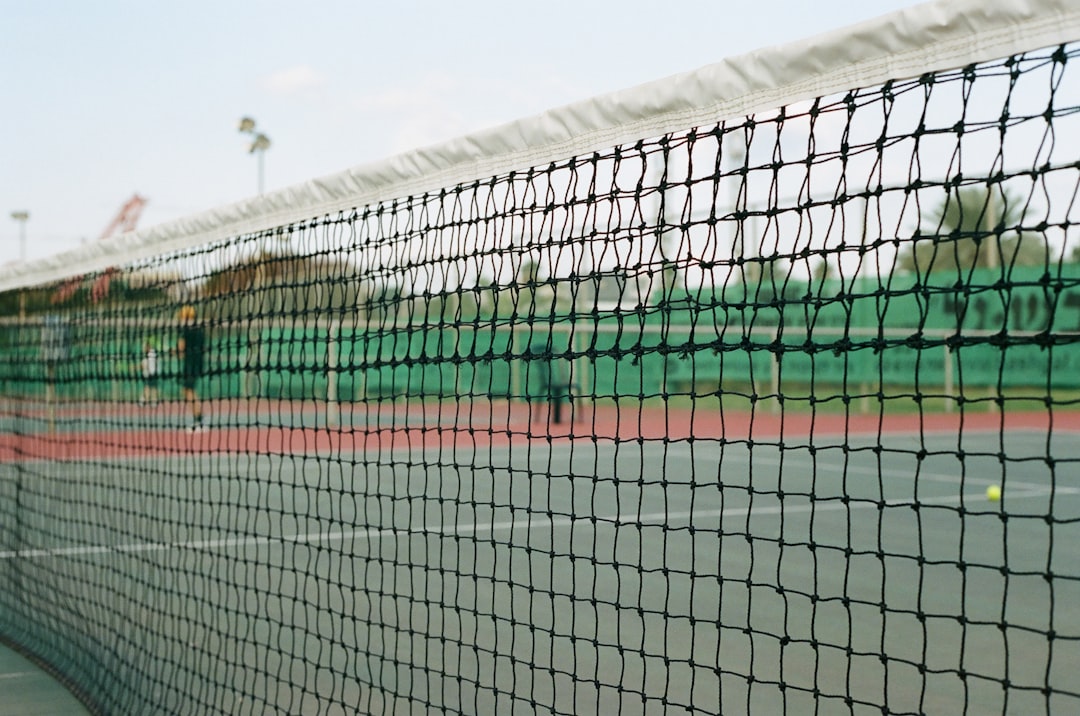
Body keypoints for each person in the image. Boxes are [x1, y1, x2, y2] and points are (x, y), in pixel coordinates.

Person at [177, 305, 207, 431]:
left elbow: (181, 348)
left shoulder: (185, 330)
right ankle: (199, 417)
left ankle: (198, 420)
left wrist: (178, 352)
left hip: (190, 364)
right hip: (199, 363)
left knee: (189, 391)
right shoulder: (199, 329)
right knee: (187, 390)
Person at [140, 339, 159, 404]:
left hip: (152, 373)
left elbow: (153, 363)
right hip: (146, 374)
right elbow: (143, 364)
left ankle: (154, 400)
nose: (145, 348)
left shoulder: (152, 353)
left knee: (153, 387)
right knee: (146, 386)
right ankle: (144, 399)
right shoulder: (144, 354)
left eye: (146, 346)